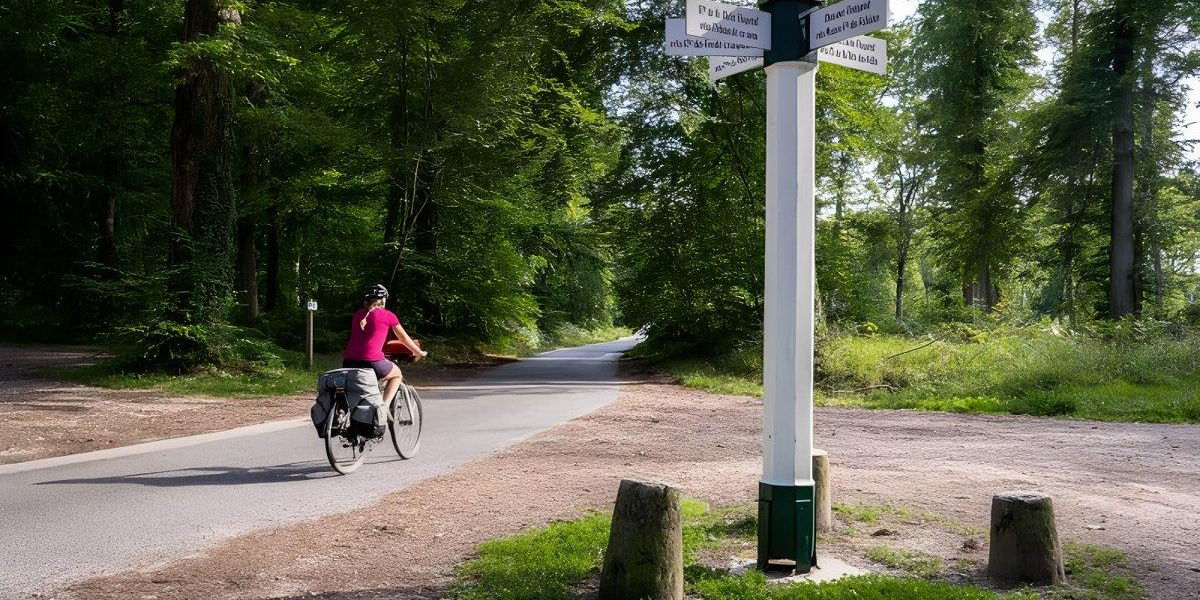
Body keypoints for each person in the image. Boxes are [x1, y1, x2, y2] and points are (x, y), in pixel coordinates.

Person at [342, 284, 427, 405]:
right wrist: (419, 353)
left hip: (348, 361)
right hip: (372, 361)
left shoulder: (357, 315)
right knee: (397, 374)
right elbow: (403, 338)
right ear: (382, 300)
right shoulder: (388, 315)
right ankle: (383, 408)